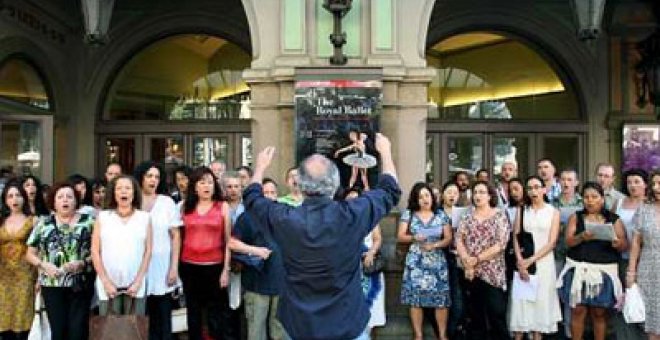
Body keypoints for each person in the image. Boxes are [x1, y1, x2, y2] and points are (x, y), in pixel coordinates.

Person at [242, 133, 400, 339]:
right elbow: (390, 191)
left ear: (301, 185)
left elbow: (252, 198)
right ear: (335, 185)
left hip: (300, 325)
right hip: (346, 323)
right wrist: (386, 152)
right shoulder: (352, 215)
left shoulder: (284, 219)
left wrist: (260, 167)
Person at [26, 182, 95, 340]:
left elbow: (99, 251)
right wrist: (43, 265)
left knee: (78, 331)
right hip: (51, 284)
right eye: (60, 197)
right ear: (54, 202)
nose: (65, 200)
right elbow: (30, 253)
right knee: (58, 331)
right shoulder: (44, 223)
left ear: (76, 201)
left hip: (80, 284)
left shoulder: (89, 222)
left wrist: (83, 263)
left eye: (69, 197)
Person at [558, 182, 627, 340]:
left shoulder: (613, 219)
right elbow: (568, 241)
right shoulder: (576, 217)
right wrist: (581, 237)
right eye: (586, 197)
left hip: (603, 270)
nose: (590, 200)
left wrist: (617, 243)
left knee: (599, 312)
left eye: (594, 197)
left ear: (602, 199)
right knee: (578, 310)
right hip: (579, 268)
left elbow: (624, 244)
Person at [229, 178, 285, 340]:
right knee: (255, 332)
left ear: (277, 195)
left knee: (280, 332)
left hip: (282, 284)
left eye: (272, 192)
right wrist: (254, 250)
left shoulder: (285, 215)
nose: (268, 196)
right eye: (264, 193)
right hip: (256, 285)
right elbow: (232, 243)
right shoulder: (246, 218)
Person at [180, 167, 232, 340]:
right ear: (194, 186)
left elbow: (228, 241)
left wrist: (226, 269)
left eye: (210, 182)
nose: (206, 186)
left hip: (214, 267)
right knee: (193, 311)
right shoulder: (185, 207)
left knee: (215, 313)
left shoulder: (222, 206)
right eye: (202, 182)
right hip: (189, 266)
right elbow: (178, 238)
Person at [508, 175, 562, 339]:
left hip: (544, 264)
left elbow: (552, 242)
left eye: (537, 187)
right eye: (530, 188)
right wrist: (521, 261)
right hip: (523, 264)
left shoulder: (553, 212)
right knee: (521, 308)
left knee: (539, 310)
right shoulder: (522, 210)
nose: (533, 191)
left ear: (544, 189)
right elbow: (516, 237)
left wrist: (531, 260)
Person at [398, 182, 452, 340]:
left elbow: (448, 238)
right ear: (416, 199)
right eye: (420, 197)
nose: (424, 199)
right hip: (416, 260)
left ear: (432, 197)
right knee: (416, 300)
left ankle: (442, 335)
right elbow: (400, 236)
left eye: (427, 195)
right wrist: (414, 237)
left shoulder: (441, 214)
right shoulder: (409, 214)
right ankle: (418, 335)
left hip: (436, 259)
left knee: (440, 299)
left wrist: (435, 244)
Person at [455, 181, 509, 339]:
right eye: (475, 192)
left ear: (490, 195)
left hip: (493, 272)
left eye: (481, 192)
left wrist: (476, 259)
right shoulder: (467, 216)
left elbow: (501, 244)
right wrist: (466, 260)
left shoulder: (499, 215)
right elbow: (459, 239)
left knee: (496, 313)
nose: (478, 196)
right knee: (475, 315)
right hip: (471, 272)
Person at [91, 175, 152, 316]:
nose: (123, 192)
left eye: (128, 188)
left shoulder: (144, 218)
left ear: (134, 192)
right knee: (109, 331)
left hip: (136, 285)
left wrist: (138, 281)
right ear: (113, 193)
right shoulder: (103, 217)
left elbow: (148, 251)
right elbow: (95, 251)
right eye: (119, 188)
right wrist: (105, 282)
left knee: (134, 331)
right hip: (108, 286)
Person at [134, 161, 182, 340]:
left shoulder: (166, 202)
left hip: (162, 266)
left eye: (157, 177)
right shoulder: (132, 201)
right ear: (141, 177)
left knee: (162, 318)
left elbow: (175, 236)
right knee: (140, 318)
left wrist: (174, 268)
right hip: (136, 266)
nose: (153, 180)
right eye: (149, 176)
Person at [345, 187, 386, 334]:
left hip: (369, 265)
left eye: (357, 198)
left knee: (370, 304)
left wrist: (371, 252)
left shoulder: (371, 217)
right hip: (349, 267)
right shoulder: (340, 219)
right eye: (350, 199)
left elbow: (377, 239)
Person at [0, 180, 36, 340]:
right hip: (3, 276)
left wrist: (39, 278)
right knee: (3, 322)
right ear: (5, 200)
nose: (14, 199)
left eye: (18, 195)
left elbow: (39, 251)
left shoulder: (33, 221)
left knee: (23, 321)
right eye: (10, 196)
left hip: (26, 275)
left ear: (24, 198)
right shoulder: (1, 221)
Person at [627, 170, 660, 339]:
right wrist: (631, 272)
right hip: (648, 269)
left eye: (659, 184)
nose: (656, 188)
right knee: (652, 324)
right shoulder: (644, 209)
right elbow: (636, 243)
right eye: (654, 183)